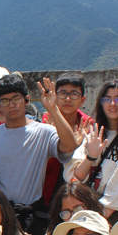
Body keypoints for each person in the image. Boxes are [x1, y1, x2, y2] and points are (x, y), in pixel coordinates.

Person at [0, 74, 80, 235]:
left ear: (26, 100)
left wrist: (53, 108)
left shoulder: (44, 132)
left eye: (16, 99)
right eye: (5, 101)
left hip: (33, 218)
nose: (11, 105)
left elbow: (70, 146)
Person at [66, 79, 118, 223]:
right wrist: (91, 157)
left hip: (111, 217)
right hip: (86, 211)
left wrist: (95, 220)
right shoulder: (92, 136)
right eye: (107, 99)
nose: (112, 104)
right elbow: (73, 176)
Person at [40, 73, 92, 209]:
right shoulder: (44, 122)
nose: (68, 99)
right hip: (46, 190)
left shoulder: (88, 125)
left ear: (82, 100)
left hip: (78, 191)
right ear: (55, 97)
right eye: (63, 93)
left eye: (74, 94)